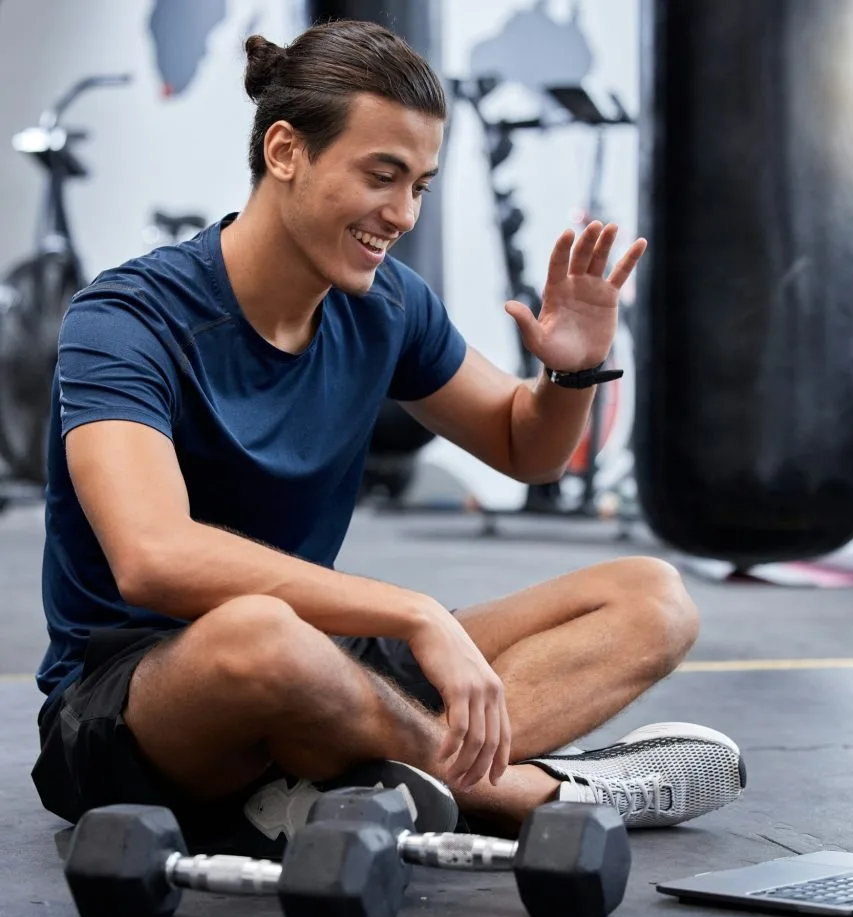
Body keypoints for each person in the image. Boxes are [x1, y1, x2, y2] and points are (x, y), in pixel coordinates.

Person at [30, 19, 745, 856]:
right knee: (260, 634)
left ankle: (357, 780)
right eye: (382, 175)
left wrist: (571, 373)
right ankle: (527, 788)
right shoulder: (126, 318)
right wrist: (412, 614)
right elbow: (154, 556)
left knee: (652, 597)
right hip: (141, 699)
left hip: (326, 665)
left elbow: (527, 450)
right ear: (286, 150)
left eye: (421, 185)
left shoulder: (386, 304)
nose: (403, 214)